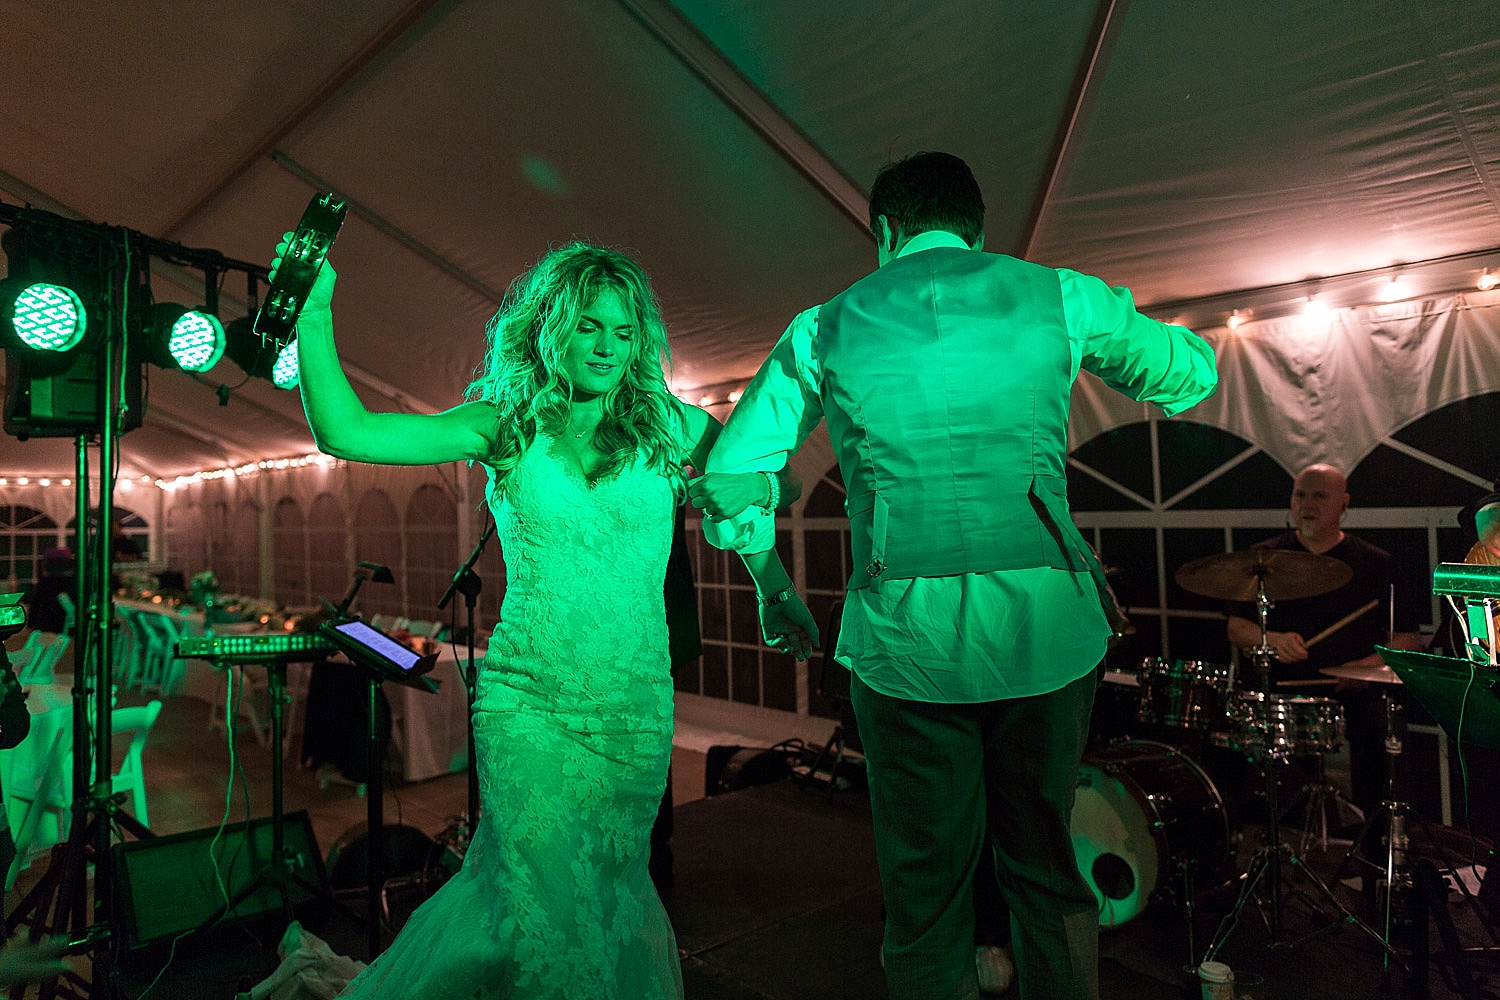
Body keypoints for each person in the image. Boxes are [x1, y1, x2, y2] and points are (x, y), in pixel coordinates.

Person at [691, 151, 1217, 1000]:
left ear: (886, 232)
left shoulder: (824, 326)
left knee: (924, 893)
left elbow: (729, 476)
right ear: (977, 229)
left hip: (904, 639)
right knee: (1045, 866)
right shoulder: (1059, 294)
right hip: (1046, 630)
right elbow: (1191, 376)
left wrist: (772, 584)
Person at [278, 238, 795, 997]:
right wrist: (314, 312)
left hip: (632, 711)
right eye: (591, 326)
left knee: (609, 893)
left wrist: (773, 587)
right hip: (531, 705)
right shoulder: (506, 425)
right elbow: (348, 433)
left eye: (625, 333)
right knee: (539, 908)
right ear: (553, 325)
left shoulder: (671, 428)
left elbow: (745, 492)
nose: (609, 348)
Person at [1225, 463, 1421, 823]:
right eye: (1300, 495)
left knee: (1385, 740)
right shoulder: (1263, 560)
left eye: (1319, 495)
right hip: (1284, 694)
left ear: (1344, 504)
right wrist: (1274, 639)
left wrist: (1364, 671)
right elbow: (1237, 628)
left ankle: (1374, 851)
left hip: (1357, 693)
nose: (1307, 504)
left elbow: (1407, 641)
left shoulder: (1378, 564)